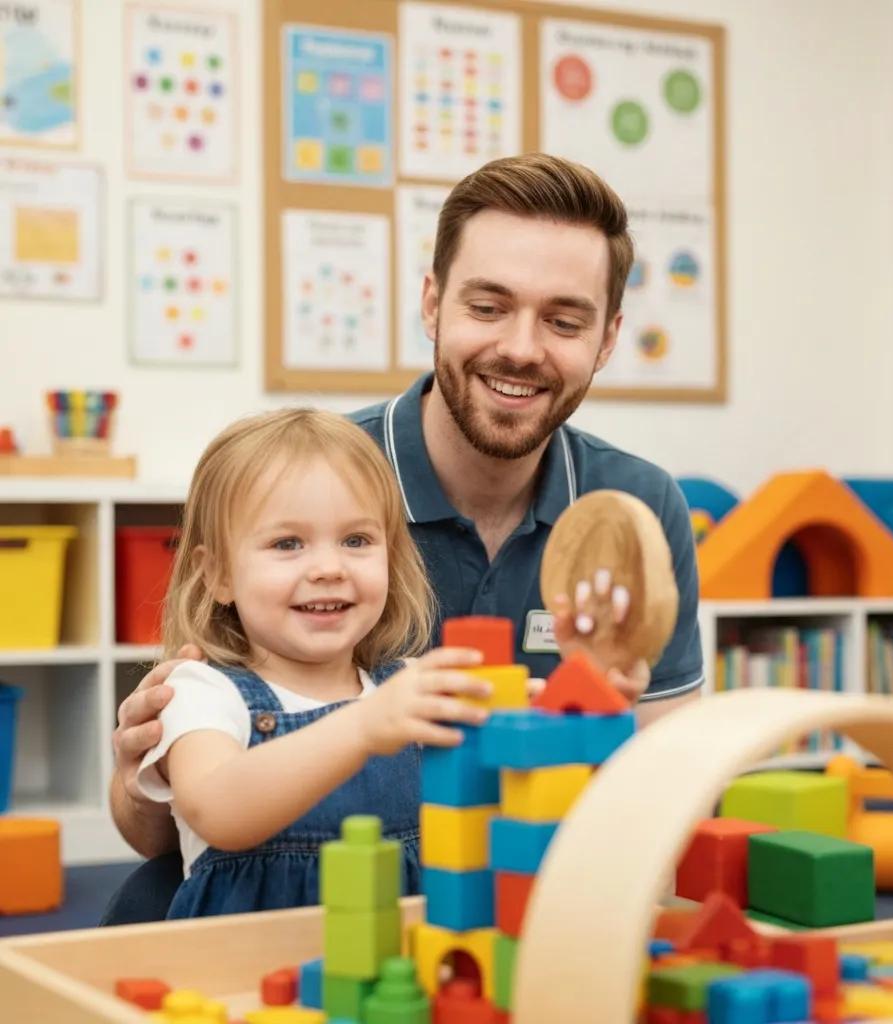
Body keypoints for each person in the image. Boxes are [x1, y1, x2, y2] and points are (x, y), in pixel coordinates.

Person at [105, 153, 703, 923]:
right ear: (432, 304)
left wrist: (593, 710)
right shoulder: (303, 482)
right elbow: (170, 822)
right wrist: (136, 786)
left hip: (480, 907)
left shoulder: (638, 506)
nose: (521, 347)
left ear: (609, 336)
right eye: (488, 306)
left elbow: (652, 793)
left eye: (563, 319)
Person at [131, 408, 491, 918]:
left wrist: (570, 707)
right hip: (246, 975)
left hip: (400, 975)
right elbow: (219, 809)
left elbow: (496, 793)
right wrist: (364, 726)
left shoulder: (410, 685)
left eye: (356, 541)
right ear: (218, 576)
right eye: (287, 543)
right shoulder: (202, 693)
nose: (328, 568)